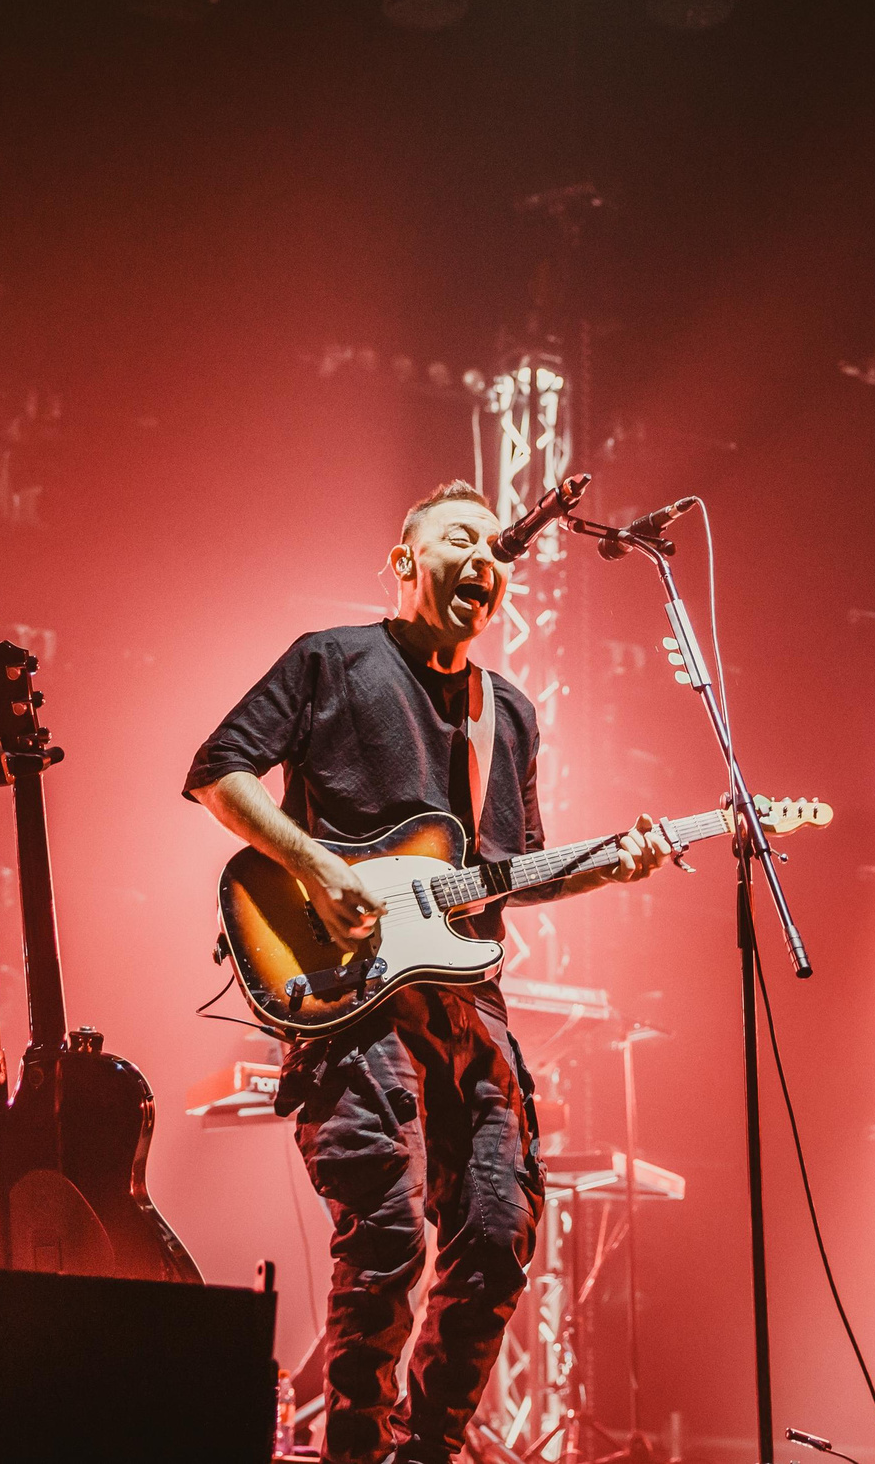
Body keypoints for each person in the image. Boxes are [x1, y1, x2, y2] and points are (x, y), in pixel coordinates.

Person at [186, 479, 670, 1464]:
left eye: (496, 554)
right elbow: (218, 774)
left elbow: (502, 877)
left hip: (472, 1013)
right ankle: (354, 1452)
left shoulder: (512, 715)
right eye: (461, 539)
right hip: (356, 998)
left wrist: (610, 864)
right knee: (388, 1237)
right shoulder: (331, 660)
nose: (485, 563)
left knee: (496, 1239)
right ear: (403, 560)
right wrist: (318, 867)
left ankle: (428, 1452)